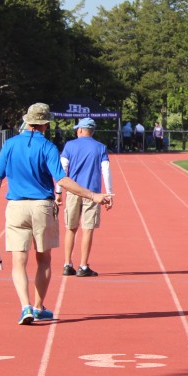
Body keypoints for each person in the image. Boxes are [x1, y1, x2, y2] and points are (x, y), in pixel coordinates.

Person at [0, 103, 110, 325]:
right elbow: (62, 179)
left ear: (27, 121)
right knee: (44, 260)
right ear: (45, 124)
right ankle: (38, 306)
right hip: (42, 206)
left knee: (18, 261)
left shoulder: (9, 144)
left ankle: (25, 306)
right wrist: (92, 195)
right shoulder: (48, 146)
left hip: (16, 206)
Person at [60, 118, 114, 278]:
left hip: (73, 191)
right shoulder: (100, 147)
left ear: (81, 130)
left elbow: (62, 168)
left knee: (71, 228)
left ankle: (67, 264)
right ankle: (83, 266)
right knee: (87, 229)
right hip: (92, 193)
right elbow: (106, 170)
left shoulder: (70, 145)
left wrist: (58, 191)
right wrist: (109, 193)